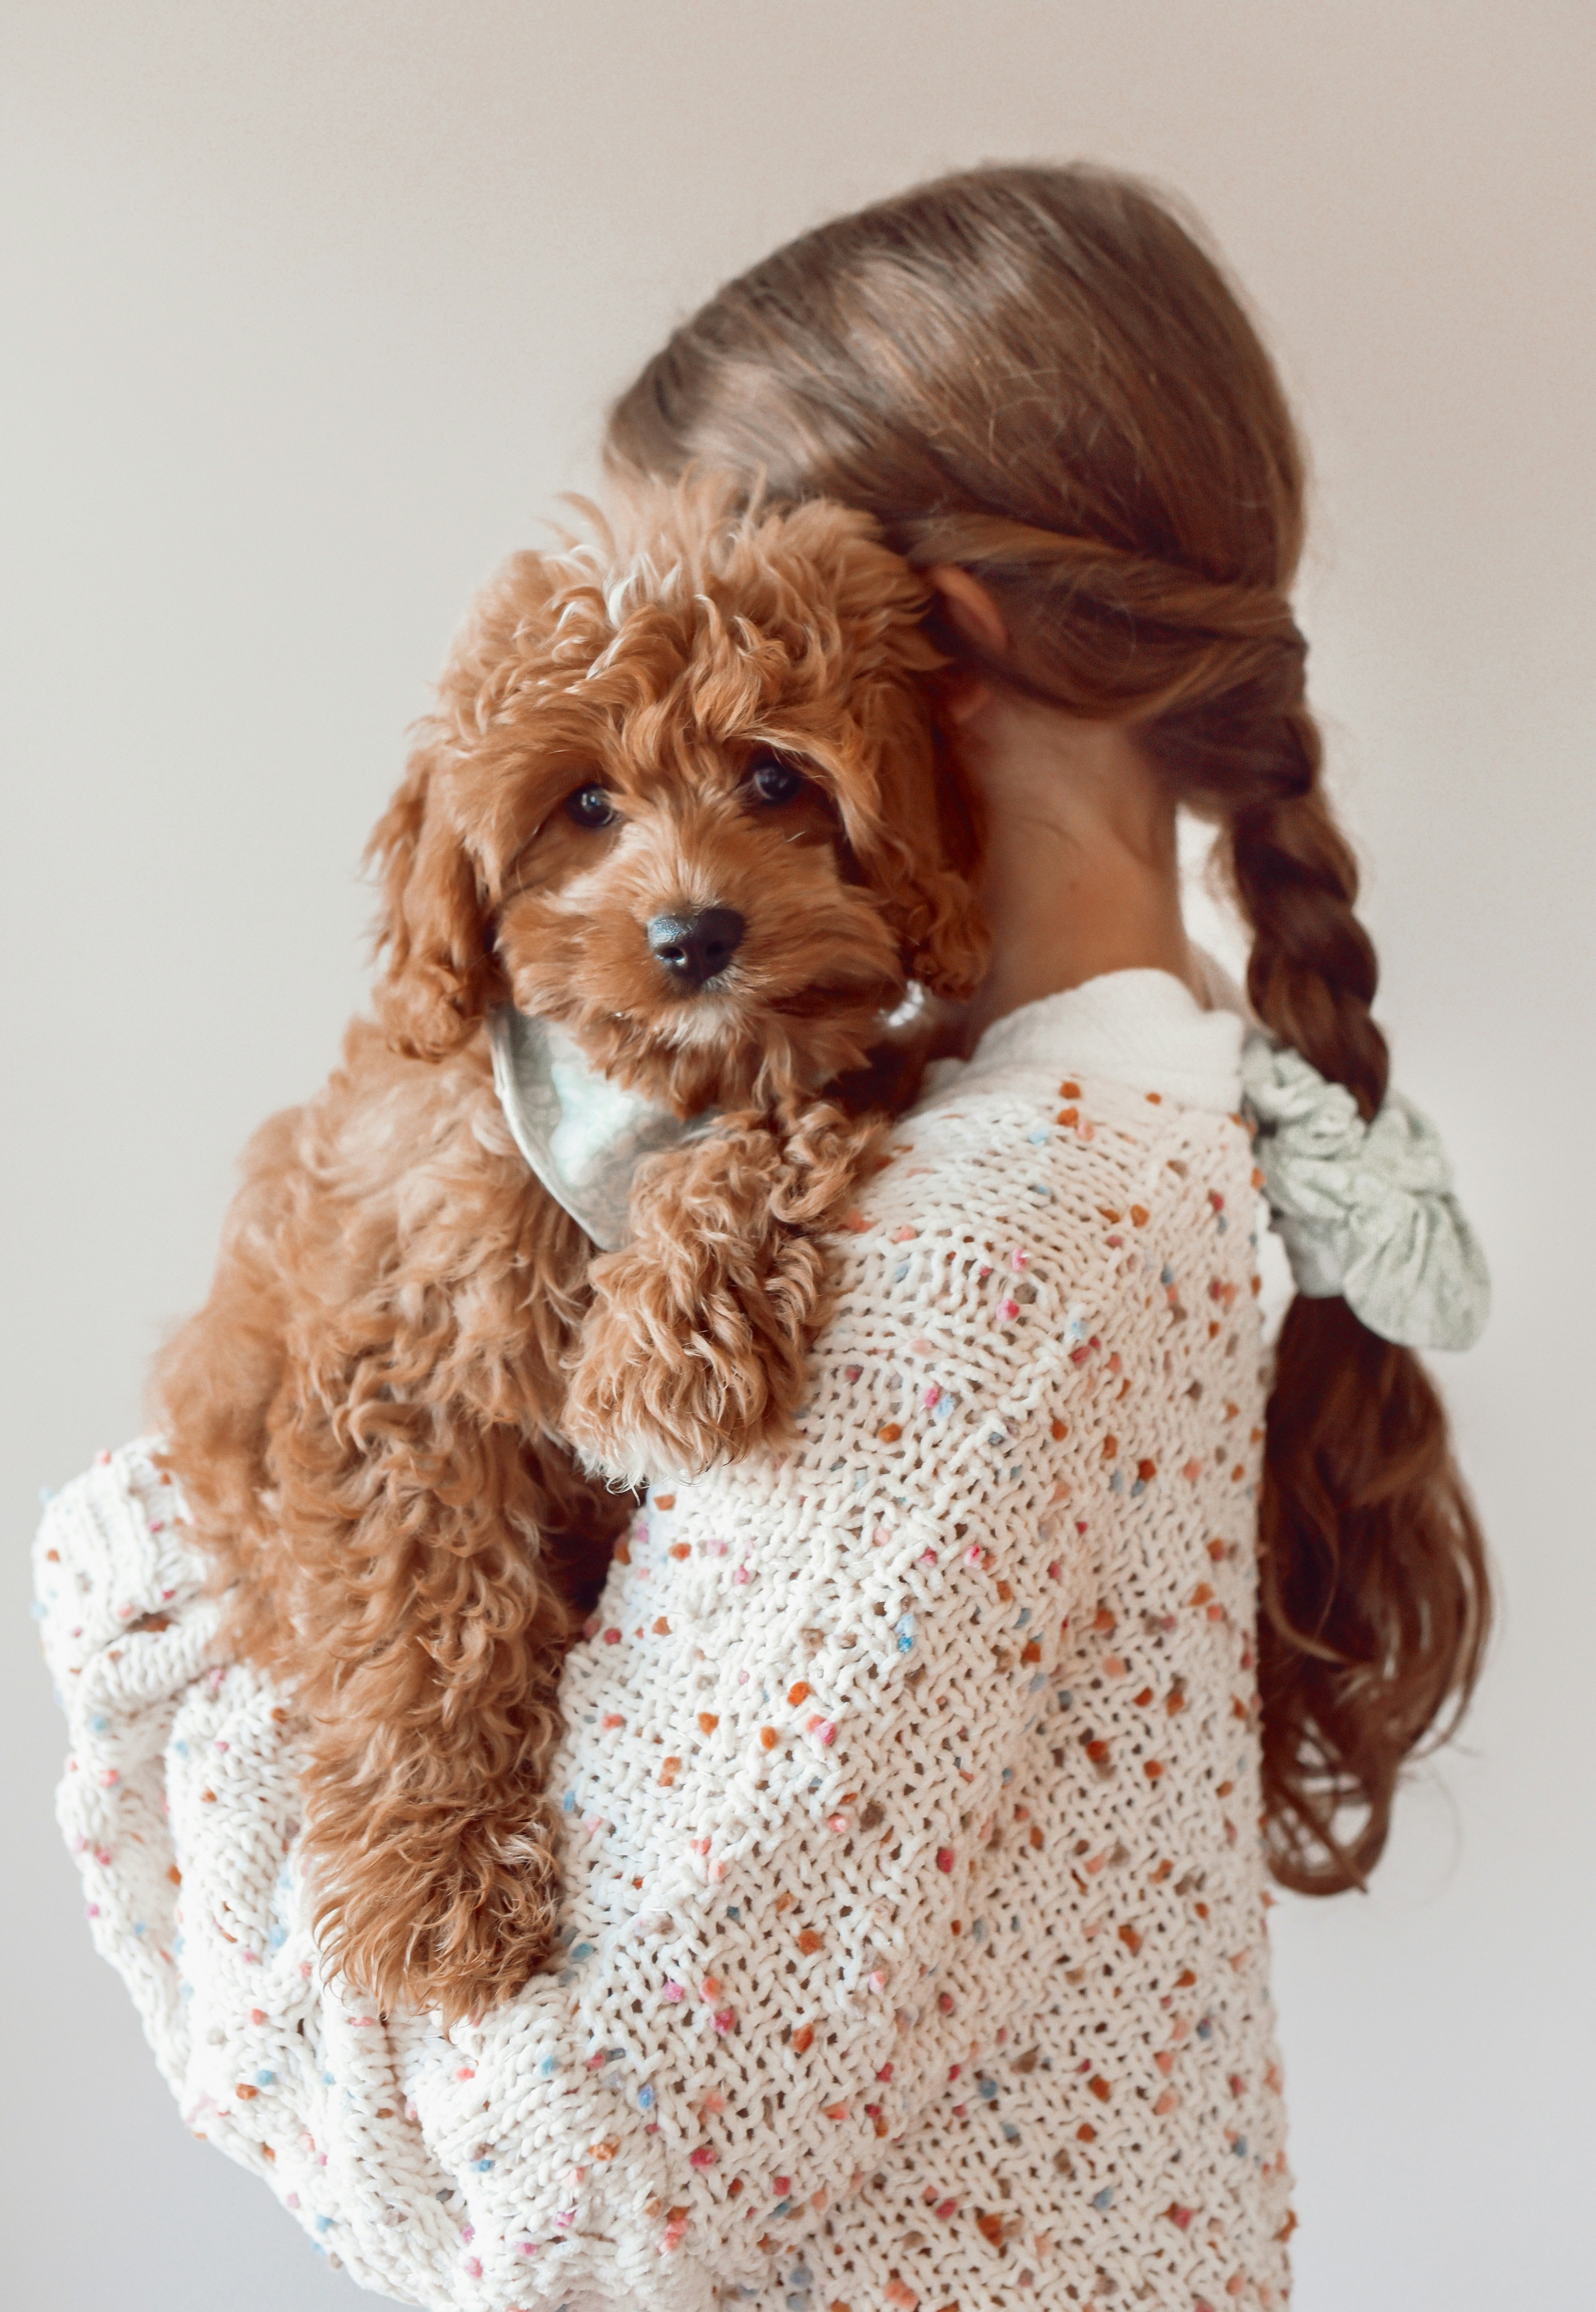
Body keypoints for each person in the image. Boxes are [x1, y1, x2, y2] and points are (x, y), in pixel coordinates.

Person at [35, 164, 1489, 2312]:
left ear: (923, 659)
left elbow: (578, 2182)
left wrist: (142, 1593)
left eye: (762, 750)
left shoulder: (982, 1251)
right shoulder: (1131, 1130)